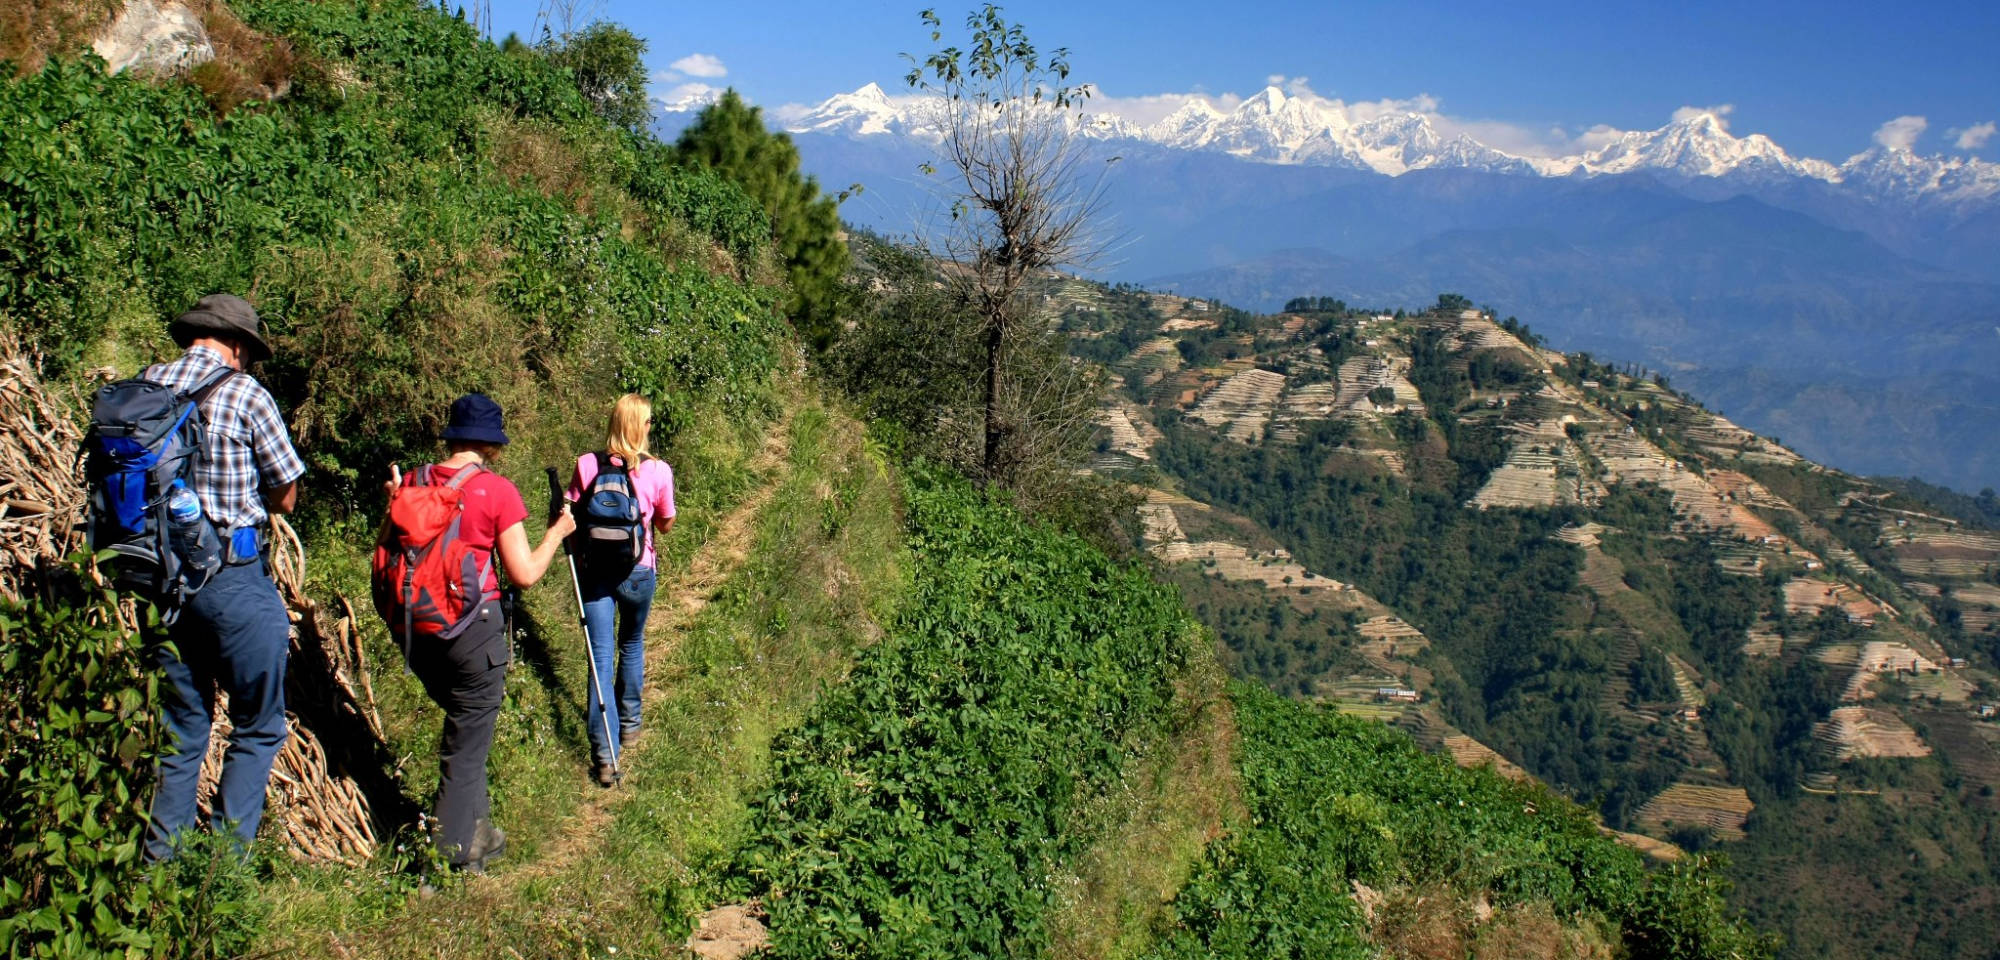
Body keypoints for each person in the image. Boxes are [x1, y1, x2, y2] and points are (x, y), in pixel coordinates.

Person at [144, 294, 306, 861]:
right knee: (258, 727)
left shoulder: (147, 386)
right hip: (233, 581)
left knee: (183, 729)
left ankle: (157, 872)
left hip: (160, 583)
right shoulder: (245, 393)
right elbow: (285, 494)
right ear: (237, 345)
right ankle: (219, 877)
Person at [385, 393, 574, 870]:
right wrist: (556, 534)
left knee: (469, 735)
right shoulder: (497, 491)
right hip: (472, 634)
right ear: (491, 444)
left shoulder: (415, 480)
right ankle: (446, 866)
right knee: (464, 749)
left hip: (417, 630)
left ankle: (480, 836)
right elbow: (524, 573)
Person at [565, 394, 676, 787]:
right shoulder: (659, 470)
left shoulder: (586, 465)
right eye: (648, 422)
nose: (650, 428)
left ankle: (605, 754)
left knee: (599, 657)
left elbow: (569, 517)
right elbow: (665, 523)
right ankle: (630, 724)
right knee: (631, 643)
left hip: (595, 575)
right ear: (639, 426)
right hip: (639, 572)